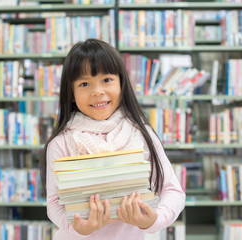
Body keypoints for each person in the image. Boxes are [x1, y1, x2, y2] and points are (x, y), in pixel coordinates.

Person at [41, 38, 185, 240]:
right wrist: (78, 229)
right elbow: (54, 204)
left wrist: (156, 219)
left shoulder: (142, 134)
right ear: (71, 93)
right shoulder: (61, 142)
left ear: (121, 83)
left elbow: (173, 191)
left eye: (107, 80)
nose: (97, 91)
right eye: (84, 83)